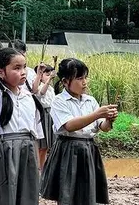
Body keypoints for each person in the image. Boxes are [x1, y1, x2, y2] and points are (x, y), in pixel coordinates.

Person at [0, 13, 44, 205]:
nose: (22, 72)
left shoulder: (28, 95)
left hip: (26, 152)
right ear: (1, 72)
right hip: (0, 152)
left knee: (26, 197)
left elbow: (35, 133)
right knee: (0, 198)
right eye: (16, 68)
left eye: (24, 67)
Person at [40, 58, 117, 205]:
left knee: (87, 193)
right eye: (79, 78)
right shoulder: (58, 101)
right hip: (68, 150)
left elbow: (103, 127)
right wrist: (97, 114)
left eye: (85, 77)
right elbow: (69, 125)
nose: (84, 82)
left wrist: (109, 120)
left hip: (89, 149)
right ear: (64, 81)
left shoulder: (90, 100)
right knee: (67, 193)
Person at [34, 63, 57, 169]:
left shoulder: (51, 88)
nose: (49, 77)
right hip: (42, 116)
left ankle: (43, 168)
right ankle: (39, 169)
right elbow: (41, 93)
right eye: (47, 74)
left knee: (46, 146)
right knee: (41, 146)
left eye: (50, 75)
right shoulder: (38, 86)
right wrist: (49, 80)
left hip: (50, 116)